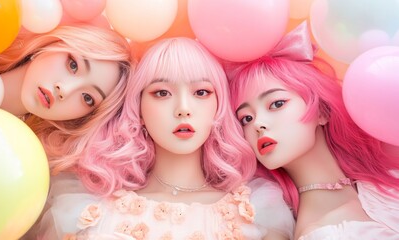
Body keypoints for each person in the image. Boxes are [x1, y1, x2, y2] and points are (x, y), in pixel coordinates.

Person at [43, 37, 295, 240]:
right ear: (138, 108)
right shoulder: (87, 209)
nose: (183, 108)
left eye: (201, 92)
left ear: (218, 107)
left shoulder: (256, 212)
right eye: (162, 93)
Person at [228, 22, 399, 239]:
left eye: (277, 104)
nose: (258, 124)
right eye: (246, 119)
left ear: (322, 112)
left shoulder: (385, 179)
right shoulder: (318, 232)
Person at [0, 24, 134, 173]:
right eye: (73, 65)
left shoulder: (17, 162)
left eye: (87, 98)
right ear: (54, 43)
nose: (65, 90)